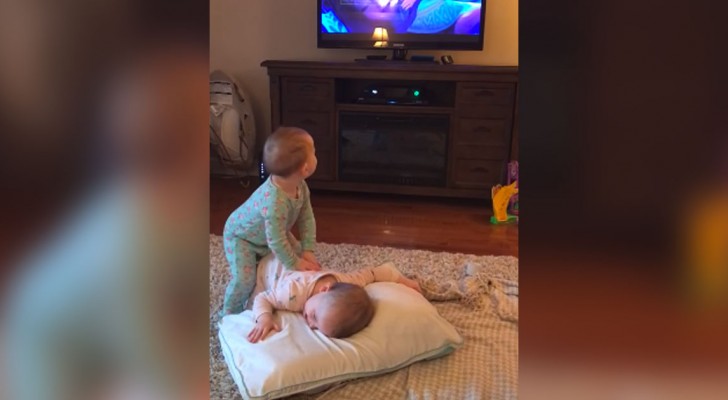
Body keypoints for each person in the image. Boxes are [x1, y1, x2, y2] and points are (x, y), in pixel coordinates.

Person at [221, 127, 321, 316]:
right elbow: (276, 241)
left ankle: (296, 295)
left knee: (303, 260)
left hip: (272, 233)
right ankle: (228, 314)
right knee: (245, 279)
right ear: (305, 168)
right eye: (314, 151)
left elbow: (306, 218)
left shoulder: (300, 186)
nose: (316, 154)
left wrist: (307, 250)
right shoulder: (274, 202)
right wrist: (295, 263)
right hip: (242, 239)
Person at [247, 254, 422, 342]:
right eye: (314, 316)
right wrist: (264, 319)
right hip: (268, 267)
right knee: (248, 308)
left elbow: (375, 272)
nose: (310, 323)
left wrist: (404, 282)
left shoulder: (350, 282)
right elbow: (263, 298)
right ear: (324, 289)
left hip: (294, 261)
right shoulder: (293, 294)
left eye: (316, 327)